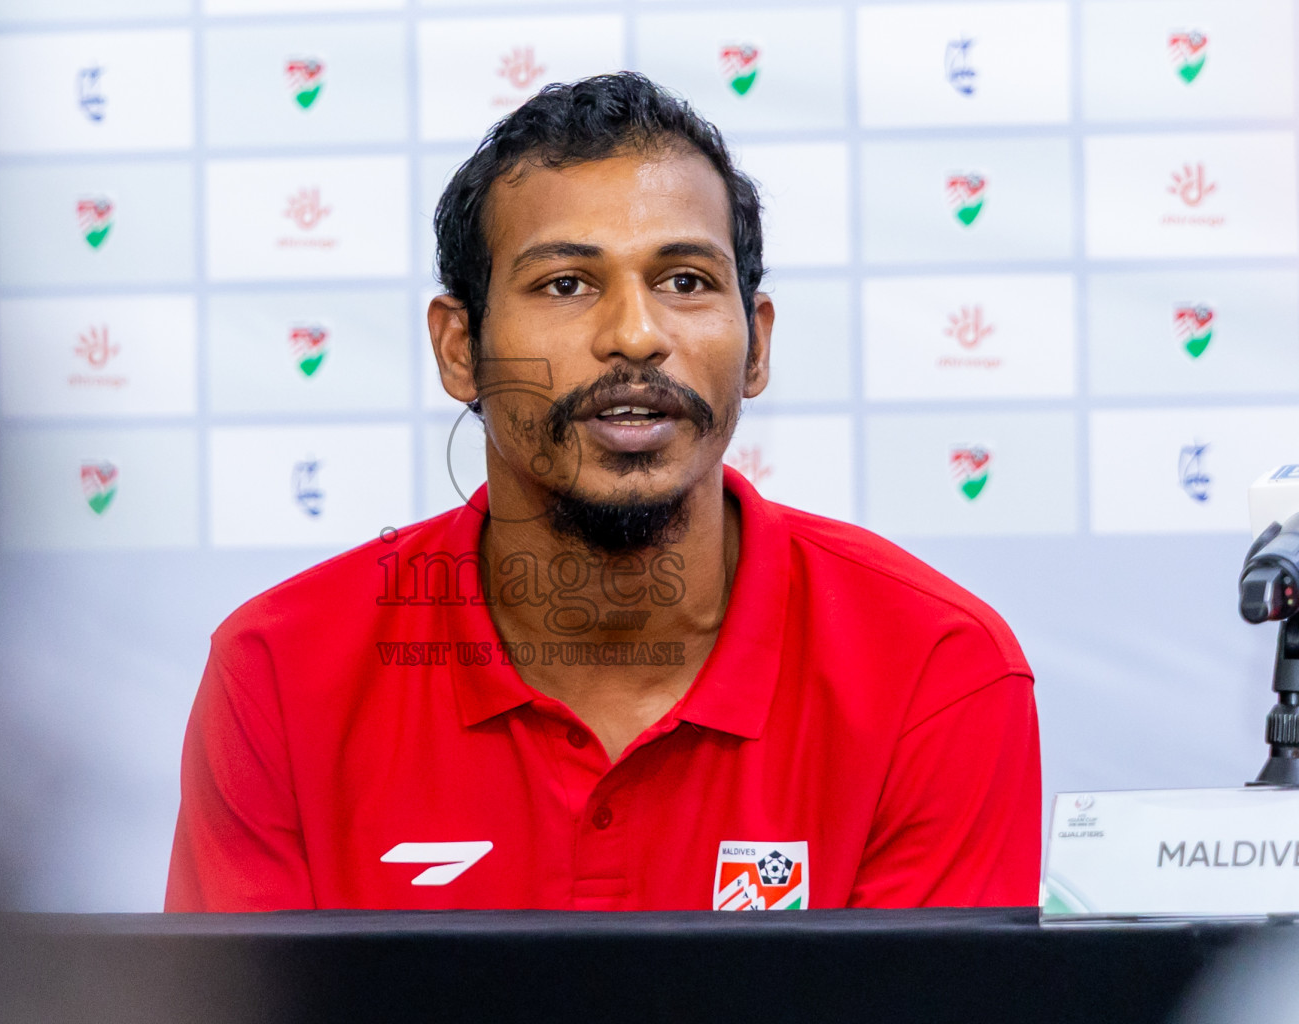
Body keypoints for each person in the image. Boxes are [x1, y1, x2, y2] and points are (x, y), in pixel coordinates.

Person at [167, 72, 1040, 912]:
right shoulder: (281, 675)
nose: (635, 335)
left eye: (686, 281)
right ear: (460, 348)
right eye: (567, 284)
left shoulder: (938, 672)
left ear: (758, 345)